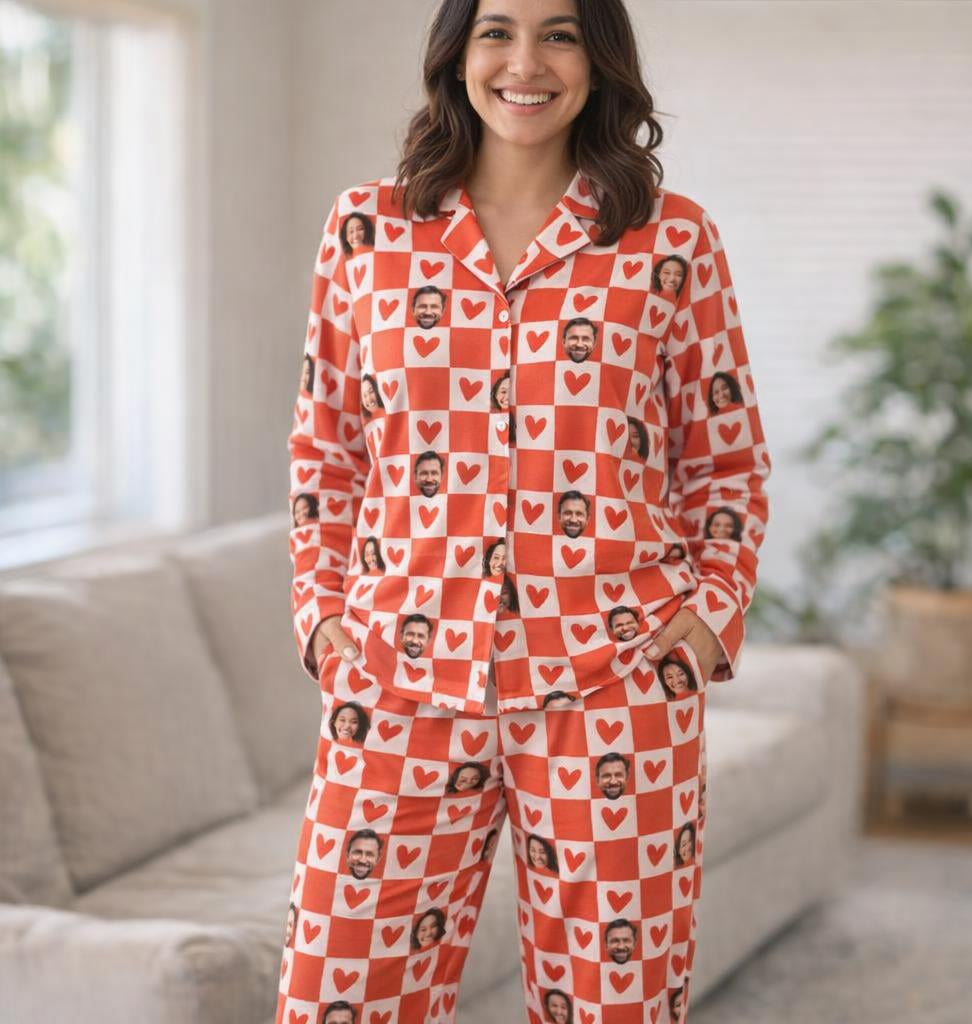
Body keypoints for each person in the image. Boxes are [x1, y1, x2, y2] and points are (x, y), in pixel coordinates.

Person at [279, 2, 771, 1022]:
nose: (524, 62)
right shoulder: (366, 229)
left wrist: (702, 625)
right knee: (338, 994)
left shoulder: (669, 241)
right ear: (458, 52)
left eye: (559, 32)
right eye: (496, 29)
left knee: (614, 1006)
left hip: (615, 683)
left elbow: (724, 464)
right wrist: (326, 621)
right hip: (397, 681)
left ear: (598, 58)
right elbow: (327, 452)